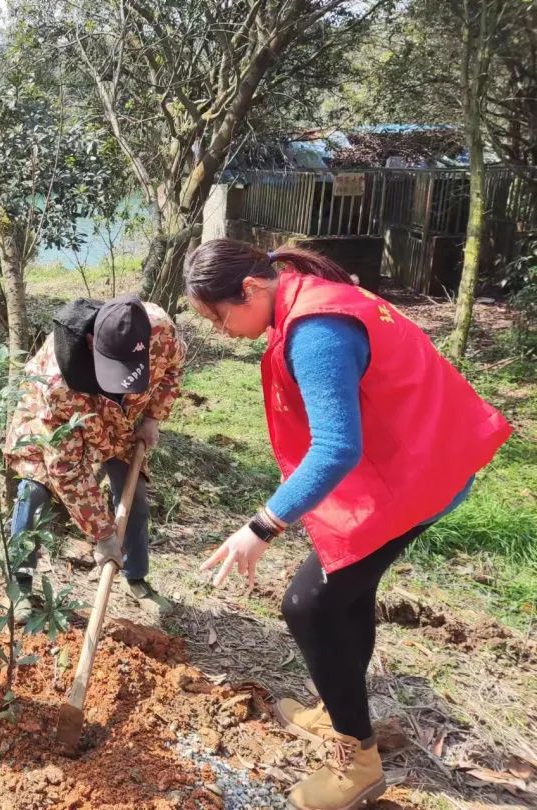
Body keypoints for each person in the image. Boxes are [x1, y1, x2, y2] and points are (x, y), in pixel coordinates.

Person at [187, 239, 511, 810]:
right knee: (345, 593)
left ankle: (358, 764)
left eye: (218, 317)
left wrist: (260, 527)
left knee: (307, 605)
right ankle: (343, 712)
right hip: (414, 460)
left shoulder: (316, 331)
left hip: (416, 478)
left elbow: (336, 447)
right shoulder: (311, 299)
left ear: (251, 289)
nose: (219, 331)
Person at [3, 294, 184, 622]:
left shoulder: (159, 328)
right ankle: (20, 584)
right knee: (34, 491)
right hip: (50, 418)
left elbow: (172, 371)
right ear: (91, 343)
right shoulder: (58, 383)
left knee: (136, 497)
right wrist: (102, 535)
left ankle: (136, 578)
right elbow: (67, 469)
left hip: (123, 420)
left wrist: (154, 416)